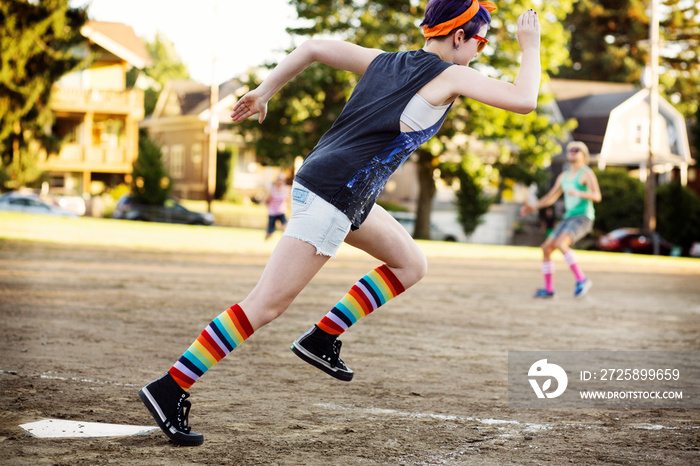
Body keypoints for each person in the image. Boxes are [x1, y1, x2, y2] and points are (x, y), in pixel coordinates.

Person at [139, 0, 541, 446]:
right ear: (459, 36)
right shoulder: (451, 73)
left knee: (410, 264)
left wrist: (265, 90)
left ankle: (322, 338)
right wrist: (531, 44)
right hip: (336, 194)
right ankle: (169, 386)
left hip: (337, 186)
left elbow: (312, 46)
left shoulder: (385, 61)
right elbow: (524, 100)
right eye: (480, 42)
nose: (479, 54)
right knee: (266, 305)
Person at [520, 141, 602, 299]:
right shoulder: (563, 176)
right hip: (568, 217)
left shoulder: (586, 173)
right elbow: (550, 197)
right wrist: (533, 207)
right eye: (570, 149)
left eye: (576, 150)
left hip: (583, 217)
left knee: (560, 244)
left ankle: (582, 279)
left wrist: (580, 193)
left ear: (583, 156)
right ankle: (549, 289)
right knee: (546, 248)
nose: (572, 152)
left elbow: (597, 196)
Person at [264, 173, 290, 240]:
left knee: (285, 228)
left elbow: (288, 200)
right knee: (270, 232)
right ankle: (267, 236)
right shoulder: (272, 189)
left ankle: (284, 241)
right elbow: (265, 201)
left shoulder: (286, 189)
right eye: (279, 180)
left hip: (281, 211)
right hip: (272, 212)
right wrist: (269, 207)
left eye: (282, 180)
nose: (280, 181)